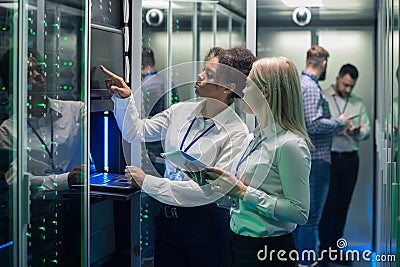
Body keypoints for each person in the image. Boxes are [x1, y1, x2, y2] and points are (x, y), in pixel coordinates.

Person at [101, 46, 256, 267]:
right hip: (167, 221)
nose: (200, 76)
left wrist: (149, 182)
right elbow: (135, 131)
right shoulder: (181, 110)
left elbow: (210, 191)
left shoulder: (236, 132)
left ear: (228, 88)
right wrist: (125, 99)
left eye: (209, 74)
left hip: (205, 227)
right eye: (203, 70)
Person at [203, 56, 311, 267]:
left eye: (249, 84)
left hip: (268, 252)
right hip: (237, 244)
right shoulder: (256, 137)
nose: (242, 90)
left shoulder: (290, 145)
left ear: (266, 92)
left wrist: (242, 191)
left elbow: (299, 212)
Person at [0, 51, 85, 199]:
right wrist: (67, 180)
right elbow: (17, 182)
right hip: (35, 213)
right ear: (14, 84)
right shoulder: (8, 129)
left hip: (82, 206)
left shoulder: (76, 110)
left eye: (40, 70)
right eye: (28, 72)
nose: (38, 75)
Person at [293, 45, 349, 267]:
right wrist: (340, 122)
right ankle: (307, 263)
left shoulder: (299, 83)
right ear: (324, 64)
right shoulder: (312, 88)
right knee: (310, 218)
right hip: (317, 160)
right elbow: (313, 123)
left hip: (307, 159)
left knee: (302, 217)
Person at [319, 64, 370, 266]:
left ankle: (336, 249)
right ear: (338, 77)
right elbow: (317, 125)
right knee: (327, 206)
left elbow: (367, 128)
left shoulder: (358, 102)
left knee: (343, 206)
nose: (348, 89)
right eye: (346, 84)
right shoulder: (324, 97)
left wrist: (358, 132)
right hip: (329, 157)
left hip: (350, 159)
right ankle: (323, 250)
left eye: (352, 86)